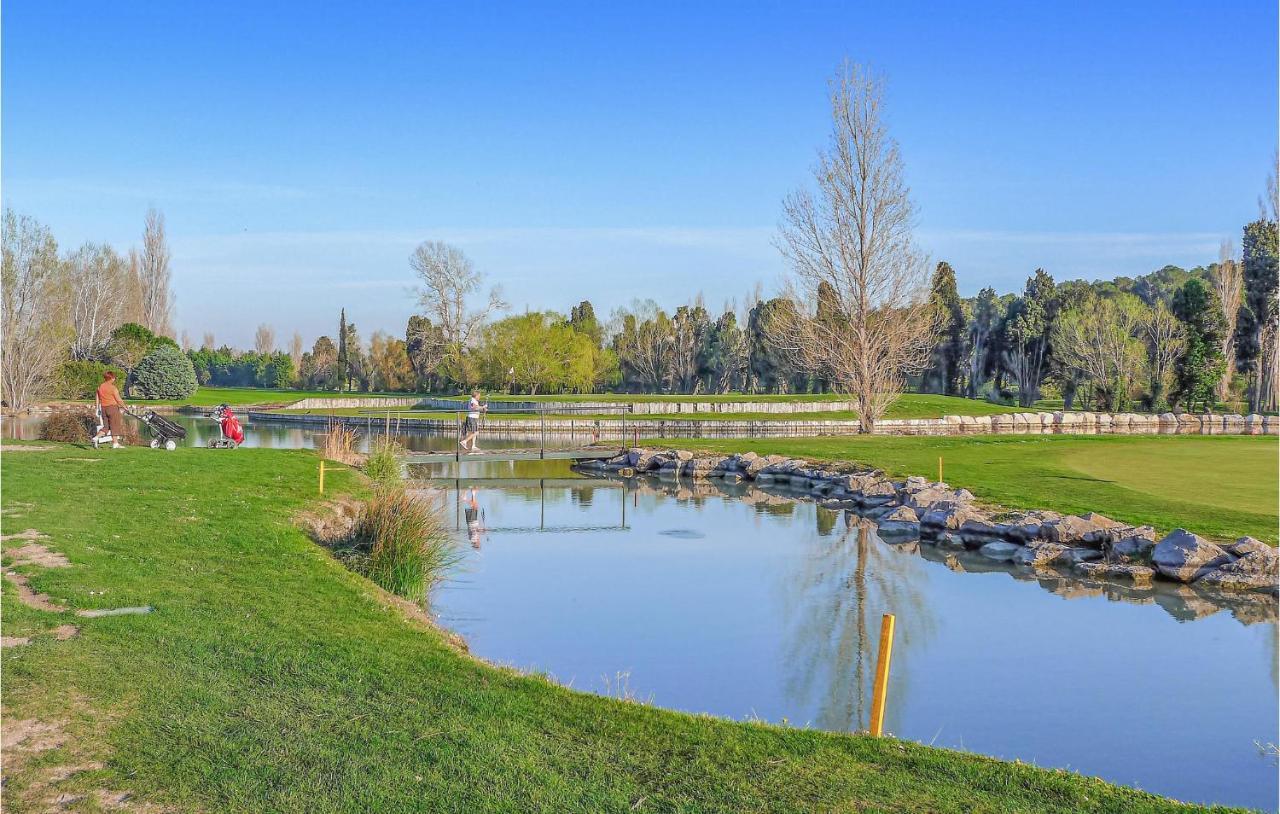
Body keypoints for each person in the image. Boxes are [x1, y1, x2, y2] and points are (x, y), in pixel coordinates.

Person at [95, 371, 127, 448]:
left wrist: (97, 408)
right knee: (115, 426)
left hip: (103, 408)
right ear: (111, 378)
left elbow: (97, 398)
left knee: (106, 427)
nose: (114, 379)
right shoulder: (113, 388)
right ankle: (115, 443)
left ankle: (96, 437)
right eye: (114, 378)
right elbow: (118, 400)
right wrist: (125, 407)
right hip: (112, 408)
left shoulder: (100, 387)